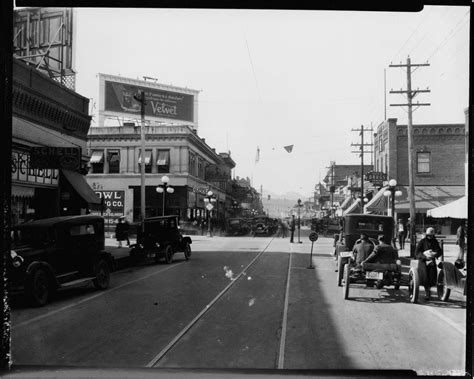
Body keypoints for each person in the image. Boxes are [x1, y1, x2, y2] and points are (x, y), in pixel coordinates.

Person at [415, 227, 442, 300]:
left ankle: (428, 290)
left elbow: (439, 251)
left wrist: (435, 254)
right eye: (429, 235)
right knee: (425, 277)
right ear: (426, 235)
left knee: (432, 277)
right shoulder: (422, 242)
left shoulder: (435, 241)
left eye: (432, 236)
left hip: (432, 261)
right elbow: (417, 252)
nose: (430, 237)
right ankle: (427, 293)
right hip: (423, 262)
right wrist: (424, 257)